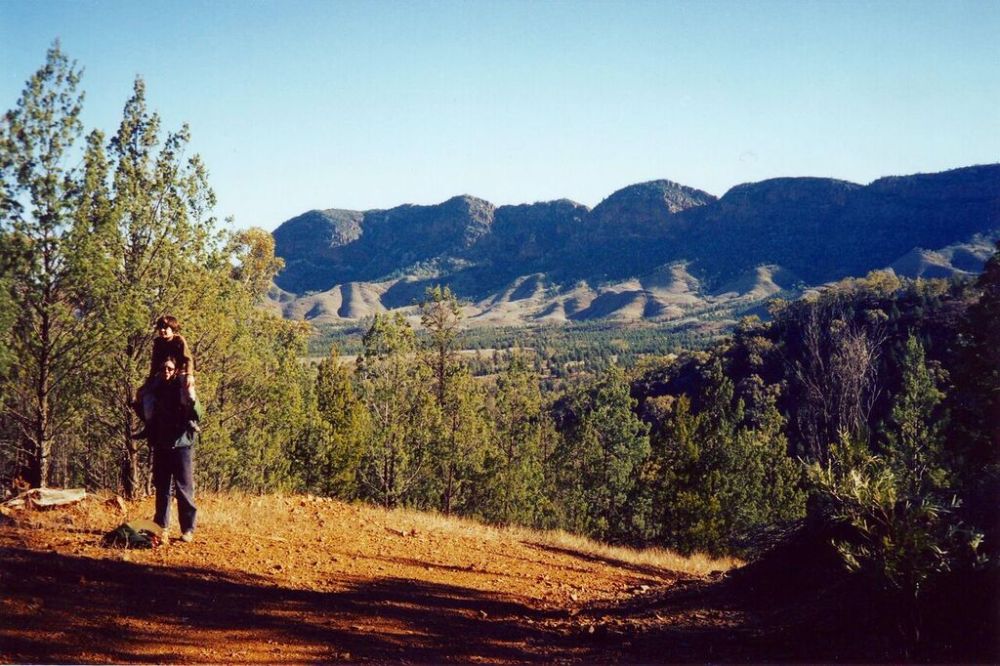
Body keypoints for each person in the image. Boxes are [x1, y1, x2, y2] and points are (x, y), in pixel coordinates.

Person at [149, 356, 203, 543]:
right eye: (164, 368)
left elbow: (198, 413)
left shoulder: (183, 389)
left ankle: (188, 529)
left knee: (184, 489)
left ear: (176, 370)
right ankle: (160, 528)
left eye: (170, 369)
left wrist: (192, 397)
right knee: (162, 489)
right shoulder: (155, 390)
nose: (166, 371)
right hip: (162, 445)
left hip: (182, 445)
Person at [133, 315, 197, 437]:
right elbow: (154, 364)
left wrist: (189, 375)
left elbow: (188, 359)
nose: (162, 330)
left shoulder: (179, 341)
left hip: (180, 372)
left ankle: (190, 419)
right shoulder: (157, 343)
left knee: (188, 392)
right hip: (163, 373)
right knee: (146, 395)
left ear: (172, 329)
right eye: (160, 328)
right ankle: (149, 425)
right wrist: (148, 383)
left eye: (165, 328)